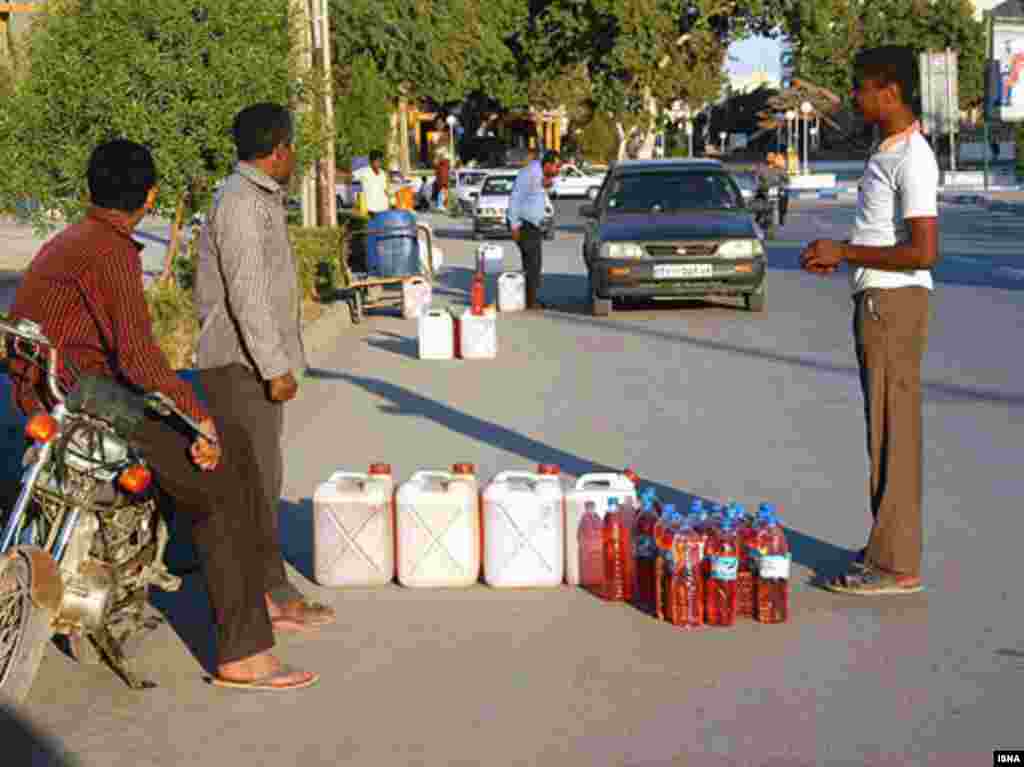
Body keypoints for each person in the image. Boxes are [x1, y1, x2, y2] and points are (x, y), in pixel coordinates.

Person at [7, 139, 318, 690]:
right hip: (88, 398)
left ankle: (256, 593)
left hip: (56, 389)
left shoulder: (71, 241)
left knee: (240, 452)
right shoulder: (110, 250)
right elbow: (139, 356)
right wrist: (199, 418)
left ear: (89, 191)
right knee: (216, 477)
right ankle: (243, 652)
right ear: (149, 197)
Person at [800, 45, 938, 595]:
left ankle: (895, 564)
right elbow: (885, 237)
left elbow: (924, 251)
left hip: (894, 303)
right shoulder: (887, 150)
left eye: (861, 88)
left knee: (894, 430)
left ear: (891, 92)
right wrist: (842, 253)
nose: (855, 97)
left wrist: (847, 251)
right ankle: (886, 545)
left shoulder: (912, 157)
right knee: (881, 430)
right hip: (879, 299)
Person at [194, 104, 337, 634]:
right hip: (239, 364)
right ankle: (261, 599)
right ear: (278, 149)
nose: (295, 156)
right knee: (251, 486)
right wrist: (275, 366)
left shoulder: (256, 199)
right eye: (292, 146)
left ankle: (267, 592)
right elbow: (248, 293)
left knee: (262, 481)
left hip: (249, 363)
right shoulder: (238, 203)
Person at [507, 148, 560, 310]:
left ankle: (529, 298)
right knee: (533, 265)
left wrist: (548, 186)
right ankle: (530, 301)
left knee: (533, 265)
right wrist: (514, 225)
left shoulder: (545, 175)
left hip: (534, 225)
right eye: (556, 167)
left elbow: (548, 192)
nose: (558, 171)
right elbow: (515, 198)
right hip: (524, 224)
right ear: (548, 164)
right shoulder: (528, 174)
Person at [354, 149, 390, 216]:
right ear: (371, 161)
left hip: (383, 208)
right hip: (370, 209)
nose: (379, 163)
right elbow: (352, 178)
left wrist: (390, 201)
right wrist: (358, 199)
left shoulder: (383, 173)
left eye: (380, 161)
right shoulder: (364, 171)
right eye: (377, 161)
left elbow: (385, 190)